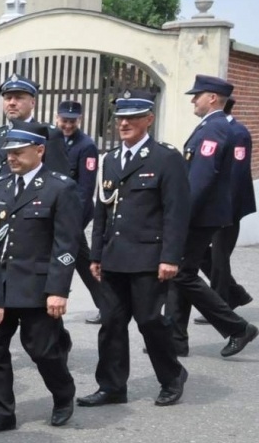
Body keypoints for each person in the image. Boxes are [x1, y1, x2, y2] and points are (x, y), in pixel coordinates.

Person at [77, 93, 191, 409]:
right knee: (111, 323)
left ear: (149, 120)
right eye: (120, 118)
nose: (124, 123)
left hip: (149, 258)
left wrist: (170, 257)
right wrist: (96, 254)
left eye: (133, 117)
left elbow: (176, 213)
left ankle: (172, 377)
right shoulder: (110, 160)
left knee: (150, 322)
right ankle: (112, 385)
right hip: (114, 257)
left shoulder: (166, 159)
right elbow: (103, 211)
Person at [0, 123, 79, 432]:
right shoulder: (0, 186)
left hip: (37, 287)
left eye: (18, 152)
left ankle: (63, 395)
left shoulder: (60, 187)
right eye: (9, 152)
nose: (11, 158)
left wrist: (58, 290)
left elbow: (66, 243)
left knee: (42, 351)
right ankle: (2, 411)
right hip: (1, 286)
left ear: (40, 150)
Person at [169, 75, 258, 358]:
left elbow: (202, 178)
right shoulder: (213, 126)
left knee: (181, 274)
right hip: (204, 215)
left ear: (212, 98)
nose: (193, 100)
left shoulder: (214, 129)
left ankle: (237, 327)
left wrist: (182, 215)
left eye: (197, 95)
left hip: (200, 216)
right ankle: (175, 339)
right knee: (181, 273)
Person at [56, 99, 108, 323]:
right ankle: (107, 305)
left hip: (75, 213)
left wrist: (73, 220)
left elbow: (86, 189)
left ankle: (107, 305)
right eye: (64, 121)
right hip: (55, 210)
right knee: (79, 259)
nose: (67, 125)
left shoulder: (86, 146)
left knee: (78, 259)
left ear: (80, 120)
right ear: (57, 118)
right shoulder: (53, 139)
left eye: (72, 121)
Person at [203, 96, 256, 309]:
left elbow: (237, 173)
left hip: (227, 208)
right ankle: (234, 294)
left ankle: (220, 303)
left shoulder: (237, 132)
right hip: (211, 206)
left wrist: (227, 210)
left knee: (219, 256)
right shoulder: (213, 130)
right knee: (200, 254)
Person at [0, 75, 70, 179]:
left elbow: (59, 181)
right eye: (8, 98)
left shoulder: (48, 134)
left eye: (19, 98)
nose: (12, 103)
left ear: (32, 103)